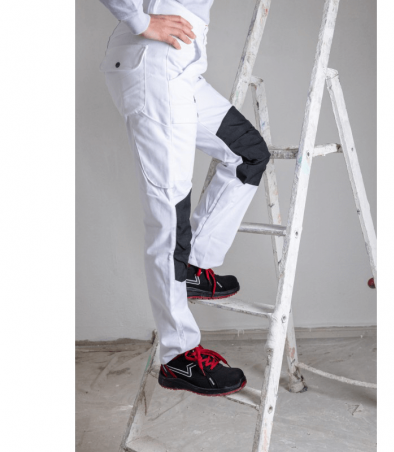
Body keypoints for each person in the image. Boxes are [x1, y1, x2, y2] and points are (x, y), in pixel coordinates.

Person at [98, 0, 270, 397]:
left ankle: (194, 267)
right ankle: (179, 356)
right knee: (169, 216)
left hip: (180, 66)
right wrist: (139, 19)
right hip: (155, 67)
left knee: (248, 153)